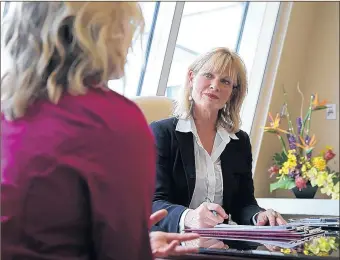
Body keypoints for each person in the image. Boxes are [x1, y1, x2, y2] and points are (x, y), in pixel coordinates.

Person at [1, 2, 198, 259]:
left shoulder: (11, 110)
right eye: (127, 25)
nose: (131, 39)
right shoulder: (114, 123)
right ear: (102, 33)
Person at [150, 47, 287, 235]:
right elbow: (153, 201)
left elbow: (243, 203)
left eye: (225, 81)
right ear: (191, 78)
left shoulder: (239, 141)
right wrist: (189, 217)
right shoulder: (162, 133)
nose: (215, 85)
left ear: (232, 93)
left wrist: (259, 216)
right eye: (208, 75)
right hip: (175, 239)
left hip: (223, 240)